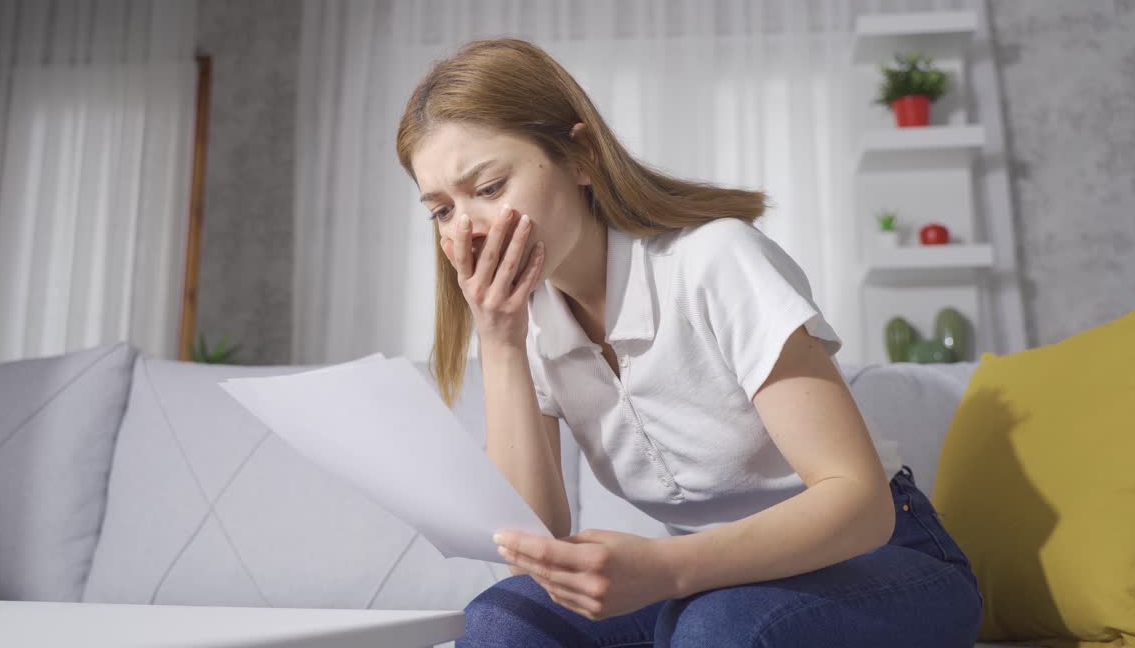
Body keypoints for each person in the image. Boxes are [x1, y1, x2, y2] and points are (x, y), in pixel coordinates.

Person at [396, 37, 982, 647]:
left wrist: (668, 571)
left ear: (581, 156)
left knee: (712, 628)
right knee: (505, 620)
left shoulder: (715, 261)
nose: (469, 229)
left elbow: (860, 504)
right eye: (440, 211)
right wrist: (501, 343)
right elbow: (533, 547)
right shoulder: (532, 320)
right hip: (717, 579)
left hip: (882, 561)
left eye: (489, 189)